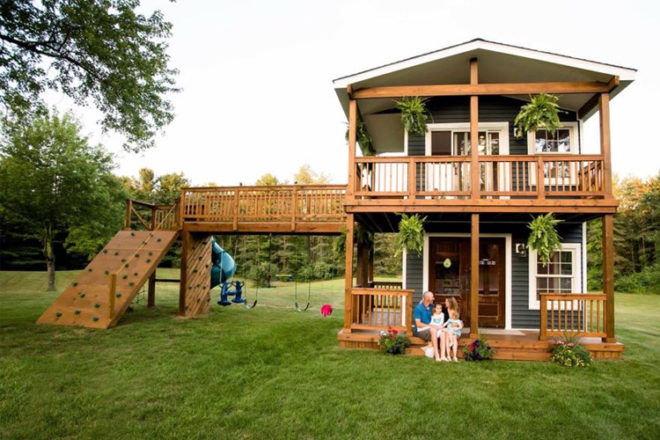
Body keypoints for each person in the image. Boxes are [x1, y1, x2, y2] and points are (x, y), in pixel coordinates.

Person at [413, 291, 441, 361]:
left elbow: (438, 315)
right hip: (420, 330)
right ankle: (437, 355)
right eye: (432, 297)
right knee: (433, 330)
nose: (433, 298)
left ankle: (432, 347)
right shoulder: (418, 308)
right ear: (427, 298)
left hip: (429, 328)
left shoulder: (432, 307)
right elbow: (418, 324)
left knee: (442, 332)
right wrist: (431, 326)